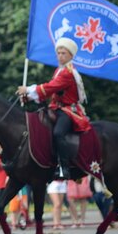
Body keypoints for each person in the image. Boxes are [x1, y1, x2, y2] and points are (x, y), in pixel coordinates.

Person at [17, 37, 90, 179]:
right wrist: (29, 97)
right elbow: (51, 91)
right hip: (56, 108)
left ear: (71, 55)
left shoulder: (68, 72)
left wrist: (28, 89)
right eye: (59, 53)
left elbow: (51, 87)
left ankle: (65, 167)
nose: (60, 56)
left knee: (58, 133)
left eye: (64, 53)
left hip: (68, 111)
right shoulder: (59, 70)